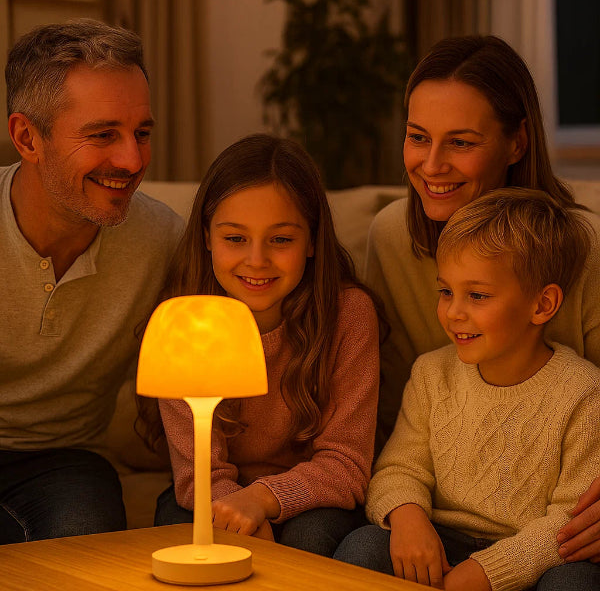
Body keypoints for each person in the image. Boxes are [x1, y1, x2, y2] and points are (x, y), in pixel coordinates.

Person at [366, 34, 600, 562]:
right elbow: (391, 420)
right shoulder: (390, 239)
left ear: (516, 143)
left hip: (558, 517)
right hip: (440, 515)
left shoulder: (587, 250)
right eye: (418, 137)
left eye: (462, 142)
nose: (432, 165)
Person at [335, 188, 600, 590]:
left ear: (543, 305)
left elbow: (571, 521)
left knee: (577, 581)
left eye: (477, 295)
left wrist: (487, 573)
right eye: (446, 292)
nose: (454, 312)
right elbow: (397, 470)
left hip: (532, 559)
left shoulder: (582, 392)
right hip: (438, 541)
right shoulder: (431, 374)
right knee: (364, 546)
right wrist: (408, 519)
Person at [0, 19, 183, 544]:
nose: (132, 161)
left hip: (66, 459)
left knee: (88, 549)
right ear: (27, 138)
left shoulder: (162, 240)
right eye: (103, 134)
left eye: (142, 134)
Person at [155, 133, 381, 557]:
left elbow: (346, 465)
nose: (256, 260)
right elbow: (196, 473)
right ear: (207, 237)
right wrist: (235, 511)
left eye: (280, 240)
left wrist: (260, 500)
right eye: (235, 239)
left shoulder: (349, 314)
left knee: (308, 540)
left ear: (312, 241)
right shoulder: (183, 323)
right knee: (177, 530)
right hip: (212, 488)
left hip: (312, 494)